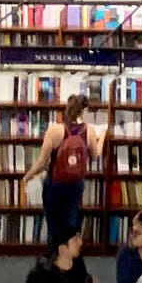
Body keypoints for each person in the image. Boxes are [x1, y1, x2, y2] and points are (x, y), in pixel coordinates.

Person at [22, 92, 105, 246]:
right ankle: (69, 259)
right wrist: (103, 137)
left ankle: (54, 256)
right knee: (70, 222)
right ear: (82, 111)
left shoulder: (54, 131)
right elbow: (95, 155)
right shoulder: (90, 131)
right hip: (75, 184)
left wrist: (27, 177)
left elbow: (42, 163)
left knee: (53, 223)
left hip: (54, 183)